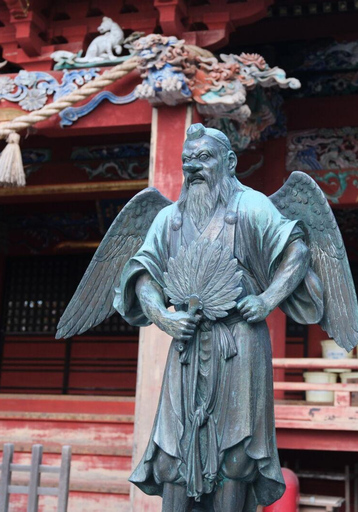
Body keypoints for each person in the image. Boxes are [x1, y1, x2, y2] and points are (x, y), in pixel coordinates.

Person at [116, 124, 326, 511]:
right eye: (186, 161)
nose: (194, 168)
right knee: (173, 454)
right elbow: (142, 273)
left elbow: (298, 252)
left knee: (237, 453)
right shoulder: (169, 220)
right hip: (187, 344)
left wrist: (266, 300)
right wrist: (162, 316)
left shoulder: (253, 206)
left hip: (239, 341)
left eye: (204, 158)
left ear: (229, 162)